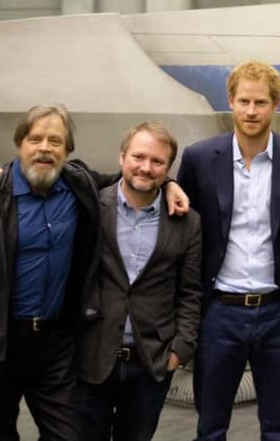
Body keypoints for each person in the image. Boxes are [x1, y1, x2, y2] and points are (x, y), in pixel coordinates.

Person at [0, 105, 188, 441]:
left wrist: (168, 183)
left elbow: (134, 176)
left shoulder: (79, 185)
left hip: (55, 347)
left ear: (68, 151)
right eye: (35, 139)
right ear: (19, 144)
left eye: (55, 141)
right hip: (1, 344)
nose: (44, 148)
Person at [177, 60, 280, 441]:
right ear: (230, 101)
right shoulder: (198, 158)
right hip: (219, 312)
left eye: (260, 102)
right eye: (244, 101)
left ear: (276, 104)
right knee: (210, 425)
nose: (251, 111)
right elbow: (186, 228)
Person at [77, 122, 202, 441]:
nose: (146, 167)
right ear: (121, 158)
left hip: (150, 366)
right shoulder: (91, 206)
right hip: (92, 360)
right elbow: (54, 162)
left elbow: (189, 293)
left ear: (168, 167)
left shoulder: (187, 222)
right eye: (138, 157)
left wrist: (179, 351)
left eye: (158, 161)